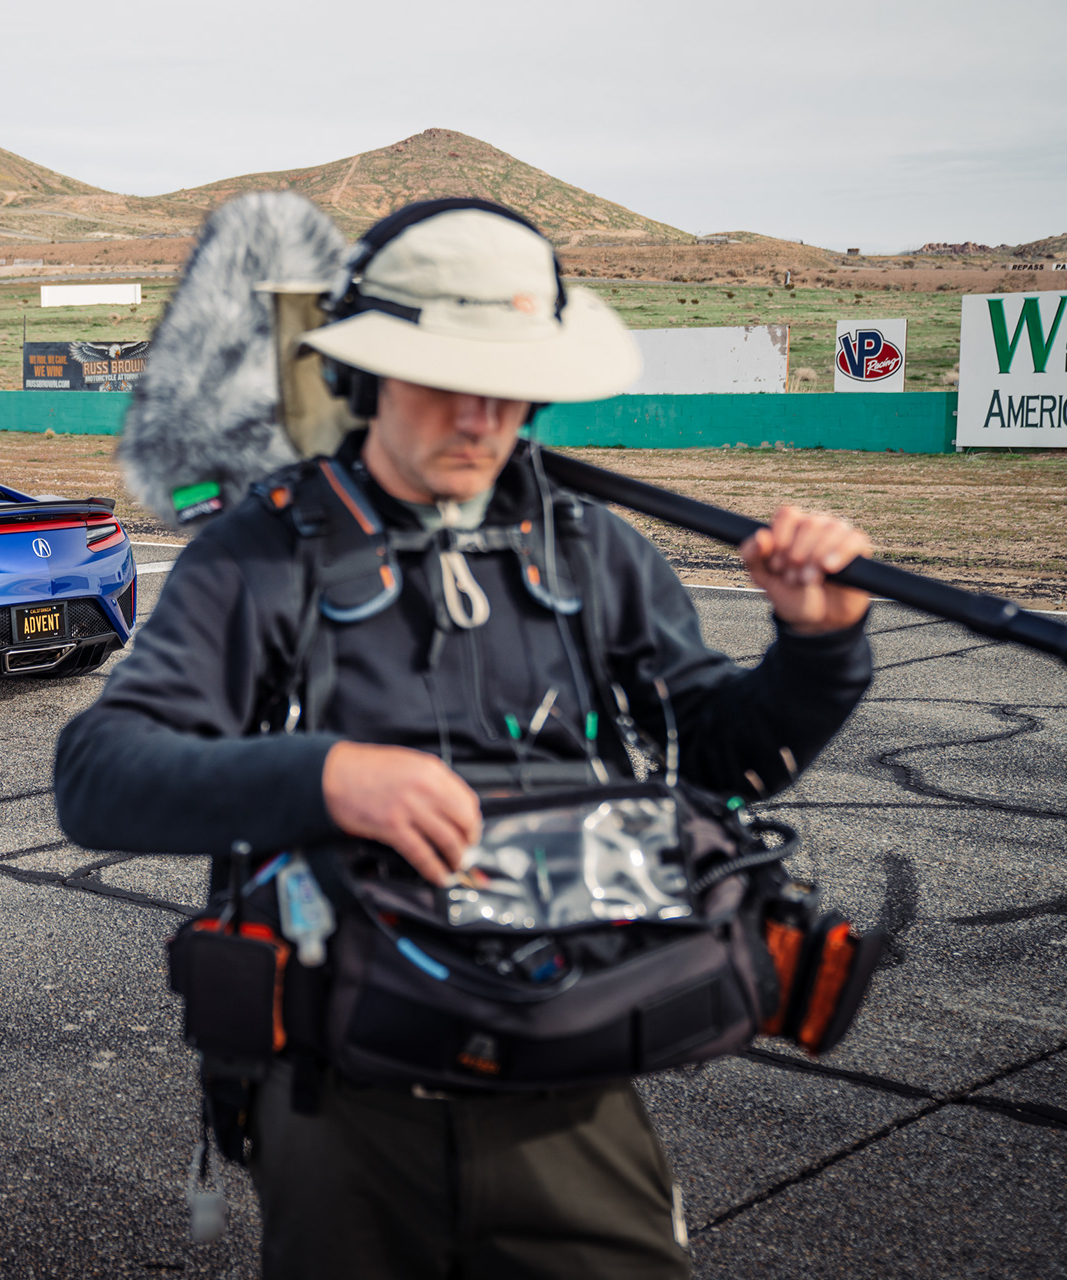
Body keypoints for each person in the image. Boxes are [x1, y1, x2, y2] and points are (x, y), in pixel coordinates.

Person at [54, 202, 876, 1279]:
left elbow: (723, 755)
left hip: (572, 1089)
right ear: (365, 376)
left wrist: (818, 647)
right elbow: (98, 774)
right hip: (341, 1104)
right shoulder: (259, 555)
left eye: (512, 381)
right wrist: (330, 776)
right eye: (447, 374)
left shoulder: (596, 551)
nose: (485, 415)